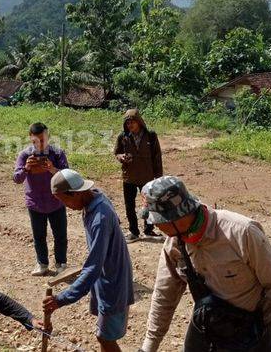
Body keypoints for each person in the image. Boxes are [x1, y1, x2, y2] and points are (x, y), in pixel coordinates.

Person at [138, 176, 271, 352]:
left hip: (252, 331)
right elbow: (165, 294)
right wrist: (149, 347)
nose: (154, 225)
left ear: (176, 217)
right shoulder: (174, 244)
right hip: (207, 324)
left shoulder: (242, 233)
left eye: (156, 220)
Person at [43, 169, 134, 352]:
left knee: (105, 338)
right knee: (104, 336)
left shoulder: (100, 217)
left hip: (112, 282)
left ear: (76, 193)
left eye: (64, 200)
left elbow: (92, 268)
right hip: (106, 278)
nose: (66, 206)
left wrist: (61, 299)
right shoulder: (96, 198)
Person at [13, 122, 69, 276]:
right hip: (35, 202)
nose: (40, 144)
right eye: (35, 141)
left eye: (42, 140)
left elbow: (67, 175)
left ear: (48, 137)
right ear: (30, 139)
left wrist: (52, 168)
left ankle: (61, 264)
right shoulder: (25, 156)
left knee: (60, 235)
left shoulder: (57, 154)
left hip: (56, 201)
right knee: (39, 236)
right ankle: (42, 264)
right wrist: (26, 169)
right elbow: (16, 178)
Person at [113, 109, 163, 242]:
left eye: (132, 122)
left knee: (149, 204)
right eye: (127, 123)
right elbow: (116, 152)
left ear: (139, 122)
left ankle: (149, 229)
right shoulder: (122, 136)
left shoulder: (151, 136)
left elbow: (157, 157)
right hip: (129, 176)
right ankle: (133, 231)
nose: (130, 125)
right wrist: (121, 157)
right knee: (129, 205)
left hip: (147, 176)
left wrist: (158, 177)